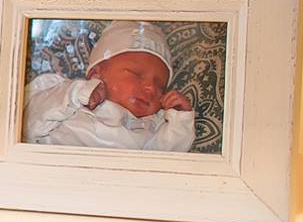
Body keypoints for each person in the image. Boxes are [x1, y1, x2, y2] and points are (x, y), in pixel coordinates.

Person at [22, 20, 195, 152]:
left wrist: (181, 120)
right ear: (96, 73)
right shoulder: (66, 94)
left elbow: (168, 158)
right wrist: (77, 94)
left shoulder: (151, 125)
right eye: (136, 74)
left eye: (160, 86)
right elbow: (27, 122)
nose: (151, 88)